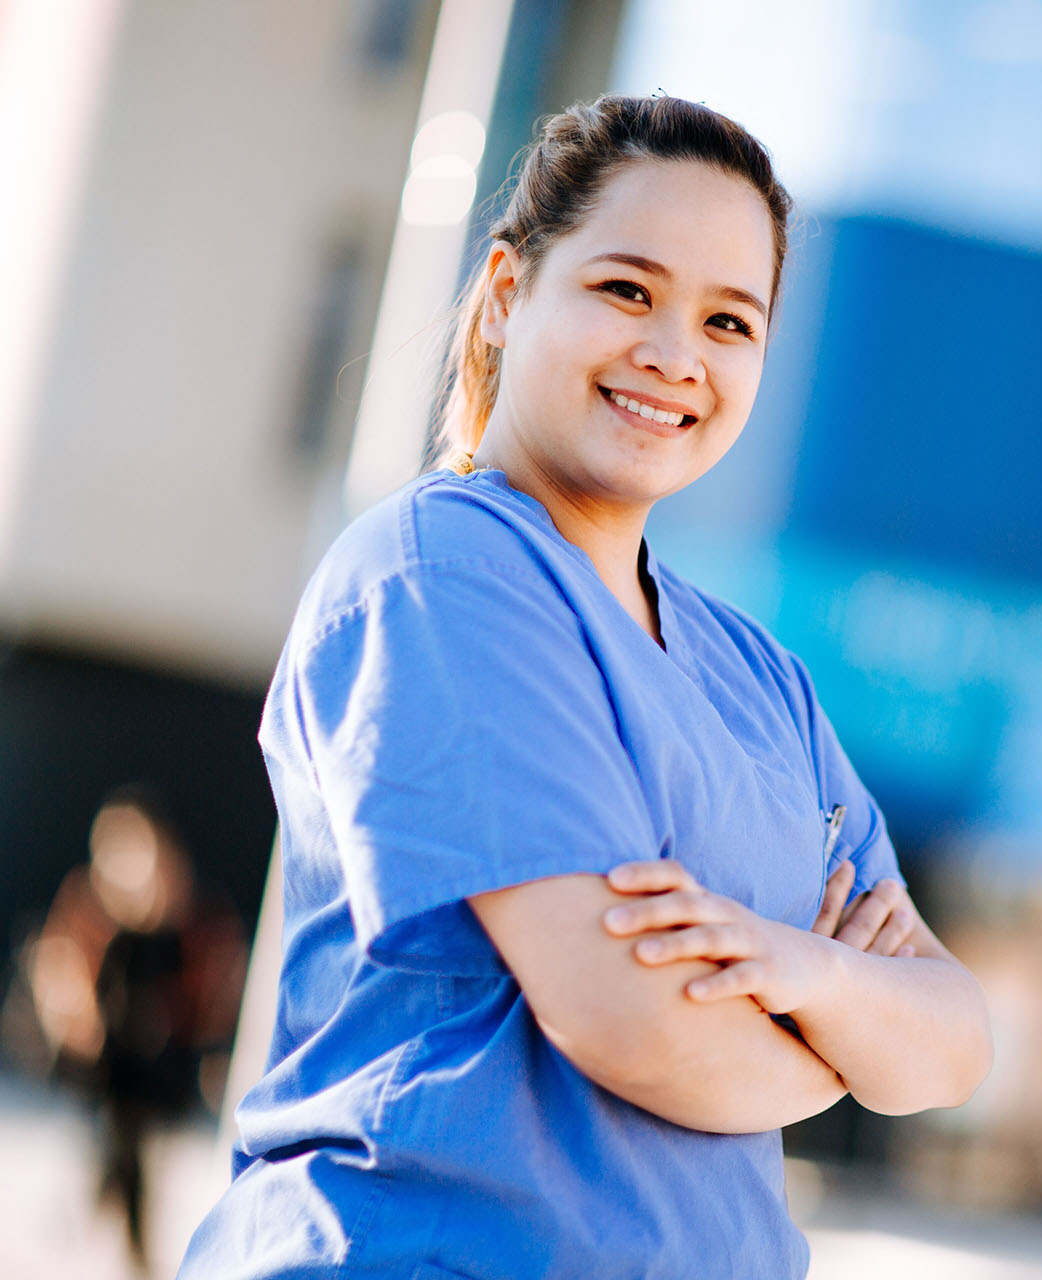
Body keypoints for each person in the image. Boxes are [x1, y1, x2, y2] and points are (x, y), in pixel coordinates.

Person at [178, 94, 992, 1279]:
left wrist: (802, 968)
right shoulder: (444, 576)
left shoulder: (763, 682)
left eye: (728, 320)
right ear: (509, 293)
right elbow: (627, 1018)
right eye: (627, 290)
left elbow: (952, 1045)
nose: (675, 354)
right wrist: (838, 1039)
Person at [25, 787, 245, 1273]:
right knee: (118, 1138)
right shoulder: (89, 908)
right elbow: (62, 969)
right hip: (108, 1063)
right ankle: (119, 1224)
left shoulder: (187, 917)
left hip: (157, 1066)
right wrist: (75, 1018)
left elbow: (212, 987)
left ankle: (118, 1219)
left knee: (129, 1141)